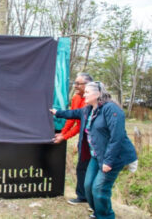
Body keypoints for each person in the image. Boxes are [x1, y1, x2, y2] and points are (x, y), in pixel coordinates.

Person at [50, 82, 137, 219]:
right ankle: (98, 212)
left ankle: (106, 216)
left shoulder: (112, 109)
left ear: (98, 93)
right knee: (88, 185)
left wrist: (108, 162)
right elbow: (73, 113)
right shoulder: (89, 109)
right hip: (96, 156)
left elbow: (117, 137)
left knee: (99, 188)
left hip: (115, 156)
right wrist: (57, 112)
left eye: (87, 92)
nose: (84, 94)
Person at [53, 73, 93, 205]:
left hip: (91, 138)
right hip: (83, 137)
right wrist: (62, 133)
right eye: (74, 83)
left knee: (88, 168)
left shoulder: (91, 101)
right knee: (81, 167)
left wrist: (65, 136)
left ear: (87, 85)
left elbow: (80, 125)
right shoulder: (76, 98)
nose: (75, 86)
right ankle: (82, 196)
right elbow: (71, 118)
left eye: (78, 84)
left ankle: (89, 198)